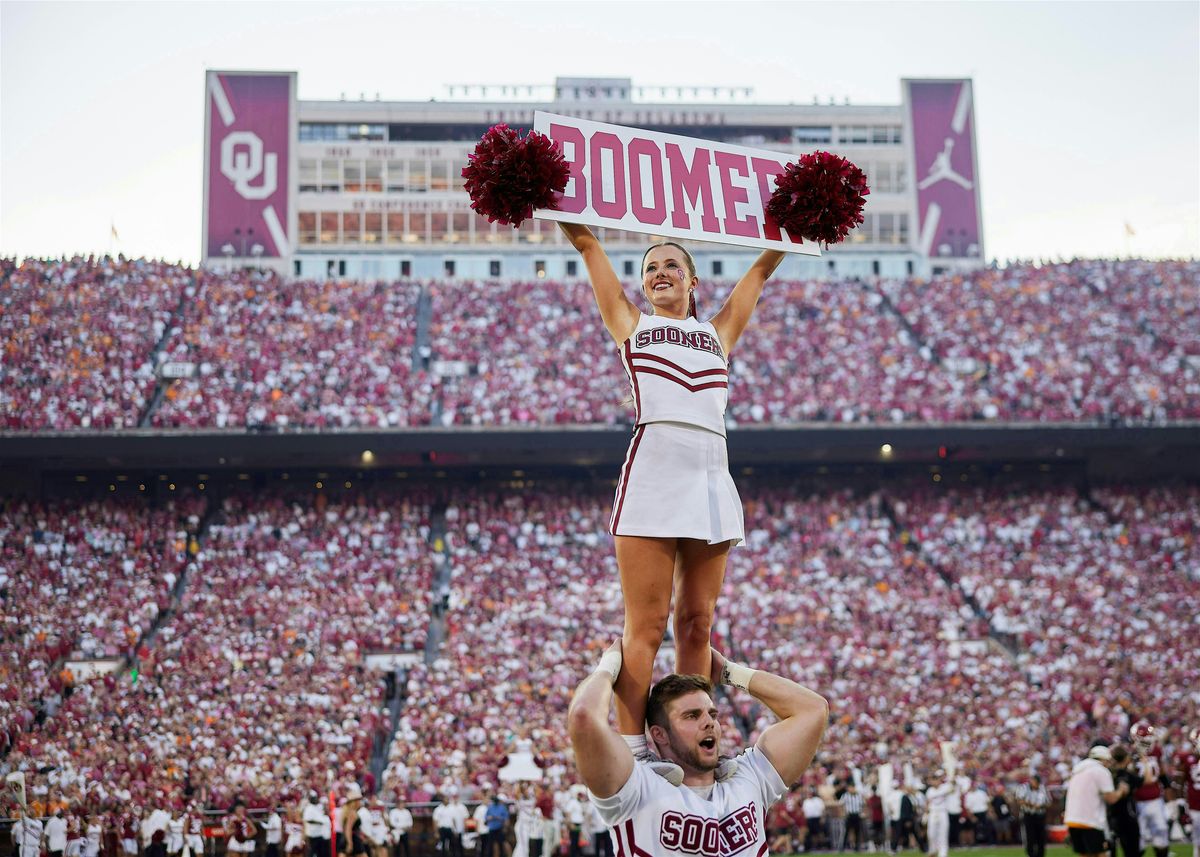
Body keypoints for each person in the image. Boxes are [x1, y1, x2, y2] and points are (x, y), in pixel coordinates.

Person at [559, 223, 787, 765]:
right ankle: (638, 753)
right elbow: (589, 244)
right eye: (651, 269)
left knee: (697, 622)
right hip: (654, 473)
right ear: (642, 286)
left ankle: (692, 745)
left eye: (670, 266)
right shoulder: (632, 325)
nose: (660, 274)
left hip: (710, 478)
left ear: (692, 280)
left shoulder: (718, 332)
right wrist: (558, 199)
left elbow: (760, 269)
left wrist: (792, 229)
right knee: (646, 624)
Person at [565, 639, 827, 857]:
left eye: (712, 714)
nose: (709, 723)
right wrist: (608, 668)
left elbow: (812, 711)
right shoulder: (638, 787)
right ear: (660, 734)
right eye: (692, 716)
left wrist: (729, 672)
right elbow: (583, 718)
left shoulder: (748, 779)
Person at [1064, 744, 1130, 857]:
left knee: (1084, 854)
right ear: (1104, 759)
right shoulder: (1101, 771)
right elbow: (1111, 798)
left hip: (1072, 820)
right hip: (1090, 821)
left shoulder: (1078, 769)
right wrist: (1121, 791)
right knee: (1101, 853)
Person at [1108, 746, 1143, 857]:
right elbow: (1146, 780)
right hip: (1127, 817)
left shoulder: (1108, 775)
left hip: (1110, 817)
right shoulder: (1128, 775)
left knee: (1110, 851)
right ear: (1126, 758)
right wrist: (1145, 762)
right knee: (1132, 851)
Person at [1173, 727, 1200, 857]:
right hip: (1195, 804)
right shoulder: (1186, 758)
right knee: (1198, 841)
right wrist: (1180, 802)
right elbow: (1179, 782)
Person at [1015, 774, 1049, 857]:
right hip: (1028, 814)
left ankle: (1040, 854)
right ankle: (1030, 854)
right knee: (1029, 836)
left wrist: (1041, 806)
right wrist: (1032, 805)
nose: (1035, 784)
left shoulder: (1042, 788)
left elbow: (1048, 802)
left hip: (1040, 815)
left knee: (1041, 837)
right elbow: (1019, 800)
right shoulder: (1024, 788)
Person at [924, 772, 953, 857]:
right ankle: (933, 850)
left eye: (936, 779)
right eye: (933, 780)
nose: (935, 782)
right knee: (931, 833)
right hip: (933, 813)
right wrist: (925, 815)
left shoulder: (945, 787)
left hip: (942, 812)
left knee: (943, 833)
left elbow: (952, 788)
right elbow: (927, 803)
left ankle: (943, 853)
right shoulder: (930, 791)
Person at [303, 792, 332, 857]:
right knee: (313, 852)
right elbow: (308, 820)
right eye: (314, 798)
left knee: (322, 853)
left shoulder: (318, 806)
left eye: (316, 798)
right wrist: (319, 822)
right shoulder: (309, 808)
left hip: (321, 834)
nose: (316, 799)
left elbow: (325, 813)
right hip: (313, 835)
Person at [840, 783, 865, 852]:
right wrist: (844, 813)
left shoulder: (859, 796)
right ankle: (842, 847)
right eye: (850, 788)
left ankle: (857, 847)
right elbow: (841, 804)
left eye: (852, 788)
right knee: (846, 832)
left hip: (856, 815)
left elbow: (863, 804)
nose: (851, 789)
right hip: (849, 815)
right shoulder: (845, 796)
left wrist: (862, 813)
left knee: (857, 832)